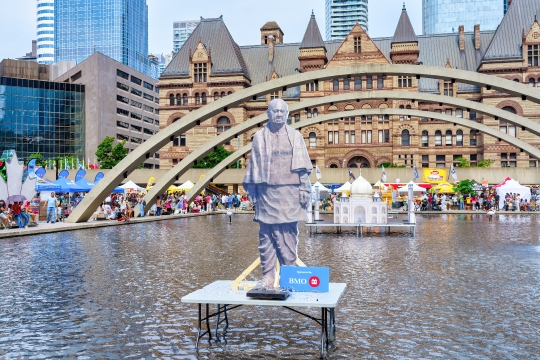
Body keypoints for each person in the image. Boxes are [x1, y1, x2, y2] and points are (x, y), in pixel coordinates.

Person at [242, 98, 312, 288]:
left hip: (290, 191)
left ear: (287, 114)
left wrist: (305, 188)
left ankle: (289, 275)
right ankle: (268, 275)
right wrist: (253, 191)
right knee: (266, 234)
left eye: (282, 111)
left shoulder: (295, 136)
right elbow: (254, 165)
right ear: (268, 113)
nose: (279, 114)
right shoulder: (259, 137)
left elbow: (304, 167)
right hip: (266, 192)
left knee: (289, 233)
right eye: (275, 111)